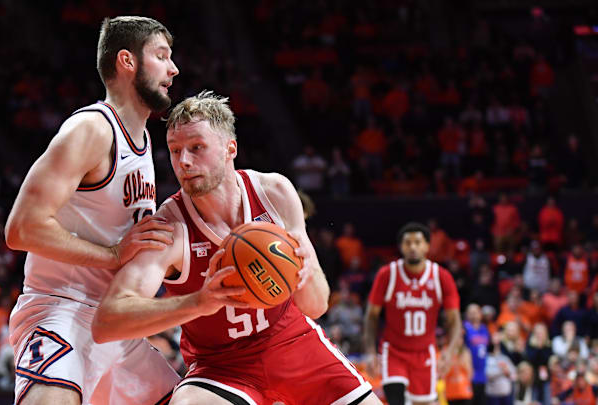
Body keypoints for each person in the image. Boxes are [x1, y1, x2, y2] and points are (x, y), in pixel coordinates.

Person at [92, 91, 381, 405]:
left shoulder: (274, 192)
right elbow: (107, 322)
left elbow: (315, 306)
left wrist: (305, 272)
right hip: (220, 366)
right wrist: (198, 303)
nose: (184, 161)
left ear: (231, 148)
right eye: (175, 151)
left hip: (292, 342)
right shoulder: (169, 229)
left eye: (196, 148)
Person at [4, 16, 181, 405]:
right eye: (162, 56)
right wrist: (113, 255)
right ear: (127, 61)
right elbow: (21, 229)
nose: (173, 69)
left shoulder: (146, 139)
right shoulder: (92, 128)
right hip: (62, 309)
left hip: (116, 324)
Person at [364, 222, 463, 405]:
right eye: (407, 243)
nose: (412, 247)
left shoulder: (441, 276)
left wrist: (450, 351)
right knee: (395, 399)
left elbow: (454, 319)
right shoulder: (387, 274)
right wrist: (370, 351)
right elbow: (371, 316)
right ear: (401, 246)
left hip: (425, 352)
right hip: (393, 351)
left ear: (427, 246)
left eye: (417, 242)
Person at [464, 303, 489, 405]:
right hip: (469, 374)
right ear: (467, 315)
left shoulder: (484, 329)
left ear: (480, 314)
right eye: (471, 313)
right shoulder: (464, 328)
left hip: (482, 374)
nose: (474, 315)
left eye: (476, 312)